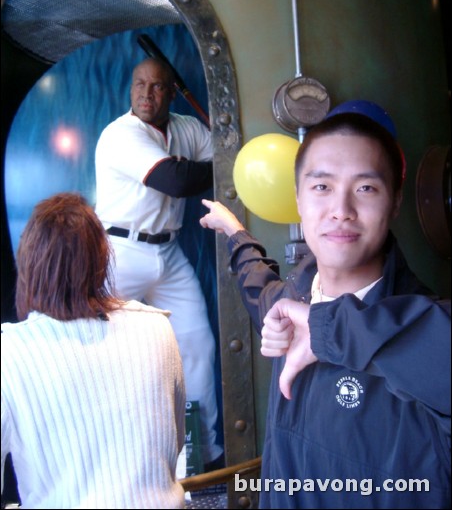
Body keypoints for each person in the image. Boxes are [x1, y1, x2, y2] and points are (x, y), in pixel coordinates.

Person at [200, 101, 451, 509]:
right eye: (322, 187)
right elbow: (257, 284)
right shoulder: (289, 304)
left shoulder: (427, 336)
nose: (341, 210)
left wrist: (330, 331)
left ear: (395, 202)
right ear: (298, 199)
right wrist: (234, 230)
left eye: (366, 188)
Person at [1, 193, 186, 509]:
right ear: (102, 259)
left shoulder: (11, 352)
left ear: (29, 264)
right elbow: (176, 440)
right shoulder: (157, 328)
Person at [94, 57, 222, 469]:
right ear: (130, 89)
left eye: (156, 87)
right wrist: (218, 164)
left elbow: (224, 153)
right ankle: (110, 455)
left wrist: (222, 157)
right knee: (102, 352)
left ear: (170, 91)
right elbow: (177, 181)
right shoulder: (120, 133)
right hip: (118, 253)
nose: (146, 95)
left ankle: (207, 454)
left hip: (168, 252)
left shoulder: (185, 127)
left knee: (198, 344)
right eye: (139, 85)